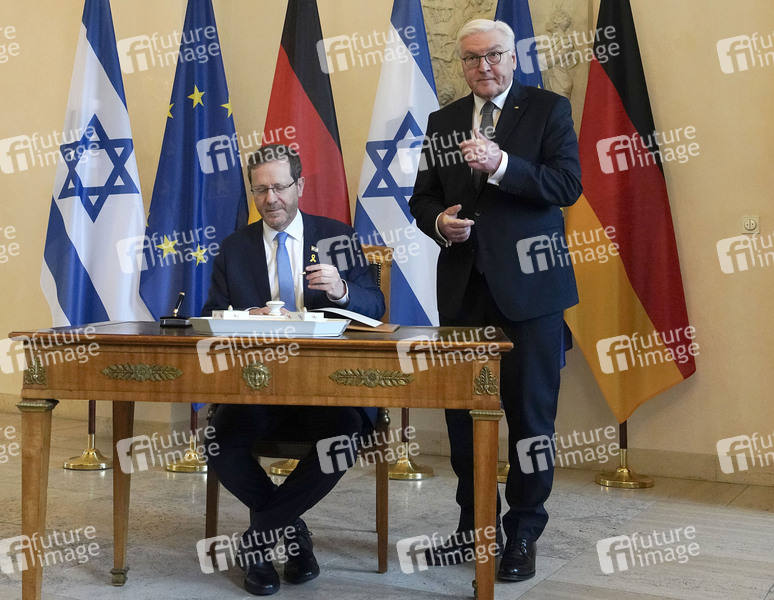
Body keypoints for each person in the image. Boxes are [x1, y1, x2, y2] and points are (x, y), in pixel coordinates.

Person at [408, 19, 582, 582]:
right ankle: (475, 525)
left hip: (531, 293)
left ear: (513, 57)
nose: (483, 66)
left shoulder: (549, 110)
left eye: (493, 55)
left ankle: (524, 532)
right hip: (464, 292)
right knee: (462, 418)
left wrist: (502, 165)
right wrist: (439, 223)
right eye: (471, 58)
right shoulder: (443, 121)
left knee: (531, 420)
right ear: (461, 64)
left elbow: (566, 186)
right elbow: (422, 198)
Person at [203, 144, 385, 596]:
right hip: (256, 388)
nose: (271, 199)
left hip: (327, 390)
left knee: (341, 442)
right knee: (218, 443)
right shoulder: (235, 248)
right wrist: (242, 316)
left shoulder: (337, 236)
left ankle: (258, 540)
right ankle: (291, 532)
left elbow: (376, 308)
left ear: (299, 186)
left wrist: (342, 290)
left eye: (280, 187)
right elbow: (211, 317)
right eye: (260, 190)